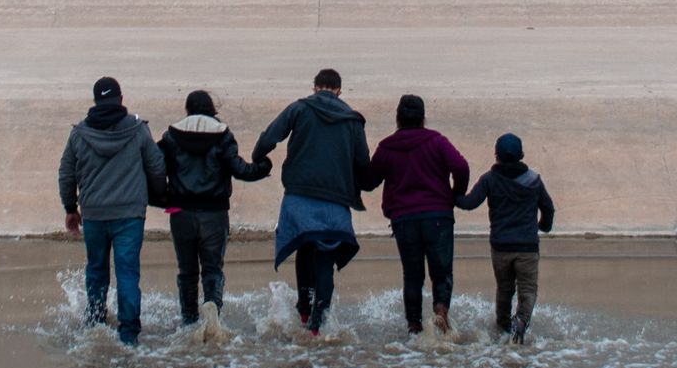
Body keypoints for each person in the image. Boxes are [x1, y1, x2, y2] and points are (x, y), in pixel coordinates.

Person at [251, 67, 370, 335]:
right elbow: (363, 163)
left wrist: (259, 159)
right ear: (340, 90)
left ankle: (304, 309)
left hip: (299, 195)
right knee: (325, 257)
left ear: (314, 87)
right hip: (335, 199)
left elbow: (270, 137)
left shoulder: (299, 108)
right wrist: (364, 185)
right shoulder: (352, 119)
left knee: (305, 246)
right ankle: (319, 323)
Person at [57, 76, 166, 346]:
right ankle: (129, 334)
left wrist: (71, 208)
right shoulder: (138, 130)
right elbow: (157, 167)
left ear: (95, 101)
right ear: (121, 99)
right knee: (128, 272)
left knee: (96, 269)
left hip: (94, 214)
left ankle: (95, 323)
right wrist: (156, 197)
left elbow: (66, 174)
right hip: (130, 214)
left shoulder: (79, 133)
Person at [155, 89, 272, 333]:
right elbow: (240, 169)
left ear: (187, 109)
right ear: (212, 109)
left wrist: (161, 197)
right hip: (215, 214)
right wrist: (263, 167)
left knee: (187, 272)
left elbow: (155, 166)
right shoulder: (222, 135)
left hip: (181, 212)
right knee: (212, 269)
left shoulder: (172, 136)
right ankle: (212, 314)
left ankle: (188, 322)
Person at [362, 93, 470, 335]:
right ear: (423, 118)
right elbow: (461, 167)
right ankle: (440, 312)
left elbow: (369, 182)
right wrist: (455, 195)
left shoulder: (387, 146)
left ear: (398, 118)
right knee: (441, 272)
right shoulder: (436, 141)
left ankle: (414, 327)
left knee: (412, 275)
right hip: (438, 216)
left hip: (404, 219)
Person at [455, 131, 555, 344]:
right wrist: (543, 226)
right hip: (527, 247)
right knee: (527, 289)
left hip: (501, 247)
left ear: (496, 155)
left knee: (504, 289)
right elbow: (548, 208)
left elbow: (470, 203)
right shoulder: (534, 180)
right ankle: (521, 322)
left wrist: (448, 194)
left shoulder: (490, 179)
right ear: (521, 155)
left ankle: (502, 329)